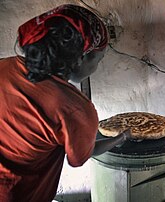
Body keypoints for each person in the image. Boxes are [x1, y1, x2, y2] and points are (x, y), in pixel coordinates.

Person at [0, 4, 130, 202]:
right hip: (17, 194)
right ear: (80, 58)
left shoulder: (4, 66)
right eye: (99, 60)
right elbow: (79, 158)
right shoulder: (74, 109)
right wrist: (121, 137)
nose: (97, 66)